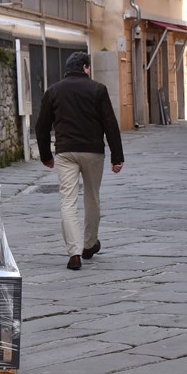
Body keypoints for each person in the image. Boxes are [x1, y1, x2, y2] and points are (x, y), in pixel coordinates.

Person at [35, 52, 124, 271]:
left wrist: (46, 155)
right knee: (92, 197)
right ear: (85, 67)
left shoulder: (53, 91)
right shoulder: (98, 89)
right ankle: (89, 244)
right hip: (93, 151)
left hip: (65, 152)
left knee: (68, 201)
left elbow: (41, 126)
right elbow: (110, 124)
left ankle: (73, 253)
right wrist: (117, 156)